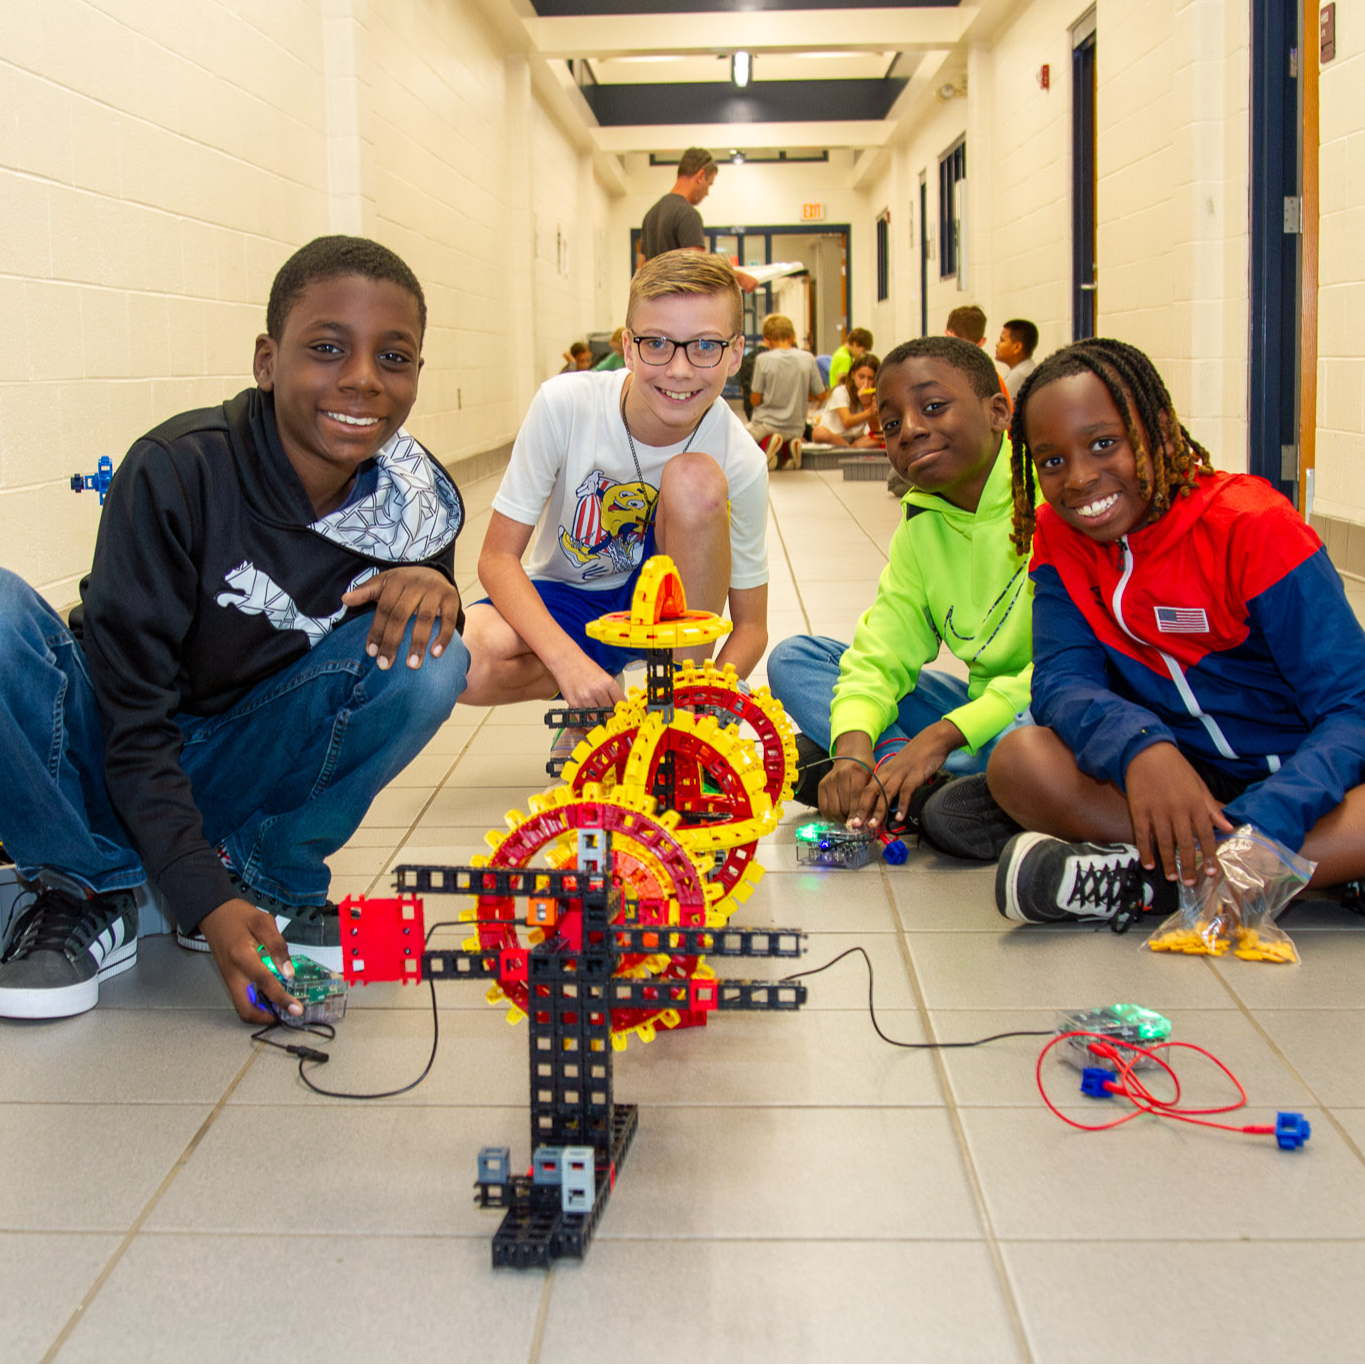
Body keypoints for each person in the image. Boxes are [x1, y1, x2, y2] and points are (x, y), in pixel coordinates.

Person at [0, 235, 469, 1022]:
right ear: (266, 359)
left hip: (236, 759)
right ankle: (86, 885)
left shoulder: (415, 501)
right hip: (108, 740)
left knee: (434, 656)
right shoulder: (179, 469)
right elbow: (132, 714)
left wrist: (441, 585)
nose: (361, 378)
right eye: (326, 348)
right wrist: (198, 901)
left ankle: (266, 878)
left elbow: (379, 671)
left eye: (395, 357)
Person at [987, 337, 1365, 927]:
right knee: (1019, 762)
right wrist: (1141, 748)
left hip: (1314, 775)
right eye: (1052, 461)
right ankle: (1276, 873)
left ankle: (1150, 882)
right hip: (1184, 774)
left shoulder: (1253, 525)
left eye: (1104, 444)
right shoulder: (1058, 536)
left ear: (1160, 430)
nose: (1080, 478)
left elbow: (1352, 709)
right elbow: (1061, 680)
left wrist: (1273, 818)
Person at [460, 251, 769, 759]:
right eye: (656, 343)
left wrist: (706, 701)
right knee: (463, 663)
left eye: (706, 346)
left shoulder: (738, 457)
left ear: (735, 355)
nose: (680, 369)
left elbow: (752, 626)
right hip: (568, 598)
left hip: (672, 610)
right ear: (627, 346)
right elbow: (496, 559)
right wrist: (569, 666)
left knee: (693, 478)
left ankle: (671, 711)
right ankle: (600, 703)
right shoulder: (565, 405)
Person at [766, 337, 1033, 847]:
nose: (910, 430)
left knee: (1038, 732)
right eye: (890, 424)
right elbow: (883, 649)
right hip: (973, 714)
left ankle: (935, 780)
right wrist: (853, 742)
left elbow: (1067, 673)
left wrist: (940, 737)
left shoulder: (1051, 497)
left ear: (998, 411)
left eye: (933, 407)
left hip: (1036, 714)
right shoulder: (921, 521)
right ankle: (900, 776)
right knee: (795, 659)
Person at [638, 147, 759, 292]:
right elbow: (698, 269)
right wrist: (738, 276)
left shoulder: (650, 215)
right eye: (709, 185)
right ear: (701, 176)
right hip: (680, 309)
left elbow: (641, 270)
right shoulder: (687, 214)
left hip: (656, 310)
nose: (707, 193)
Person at [747, 313, 828, 470]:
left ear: (766, 339)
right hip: (796, 426)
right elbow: (821, 395)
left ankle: (769, 446)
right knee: (790, 435)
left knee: (742, 437)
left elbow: (755, 400)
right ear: (794, 336)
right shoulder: (808, 358)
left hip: (767, 424)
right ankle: (791, 445)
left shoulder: (763, 359)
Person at [812, 353, 882, 448]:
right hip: (833, 437)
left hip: (856, 438)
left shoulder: (874, 395)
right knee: (819, 433)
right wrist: (869, 411)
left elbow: (875, 430)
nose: (865, 383)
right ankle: (850, 448)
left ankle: (851, 447)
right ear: (853, 375)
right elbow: (847, 422)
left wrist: (867, 403)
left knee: (882, 437)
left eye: (870, 378)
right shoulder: (841, 391)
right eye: (861, 377)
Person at [996, 319, 1039, 404]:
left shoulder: (1020, 375)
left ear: (1017, 347)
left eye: (1002, 340)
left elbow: (997, 409)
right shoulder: (1025, 370)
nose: (997, 344)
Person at [827, 328, 873, 392]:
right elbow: (842, 381)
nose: (862, 355)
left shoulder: (840, 351)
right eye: (863, 351)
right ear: (855, 344)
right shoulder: (846, 358)